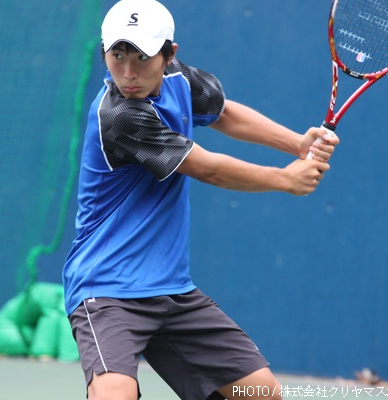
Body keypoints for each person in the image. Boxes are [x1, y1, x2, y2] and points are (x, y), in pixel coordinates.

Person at [62, 0, 340, 399]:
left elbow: (224, 113)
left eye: (141, 57)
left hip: (171, 289)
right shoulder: (120, 115)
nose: (128, 72)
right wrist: (284, 179)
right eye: (117, 56)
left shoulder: (179, 79)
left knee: (261, 394)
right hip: (107, 287)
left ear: (169, 54)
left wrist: (296, 143)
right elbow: (207, 168)